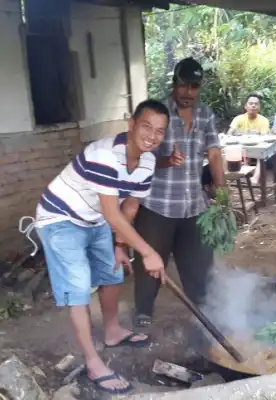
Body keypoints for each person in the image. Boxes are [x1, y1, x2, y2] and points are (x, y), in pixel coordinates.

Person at [35, 100, 170, 394]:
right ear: (131, 124)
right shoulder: (105, 155)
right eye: (146, 126)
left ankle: (112, 332)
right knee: (79, 286)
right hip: (59, 216)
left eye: (160, 131)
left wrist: (121, 245)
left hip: (93, 215)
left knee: (112, 272)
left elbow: (131, 204)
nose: (152, 135)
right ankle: (94, 363)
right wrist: (147, 252)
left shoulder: (147, 161)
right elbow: (112, 213)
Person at [132, 57, 225, 331]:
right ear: (174, 83)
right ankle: (143, 311)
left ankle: (204, 312)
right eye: (184, 86)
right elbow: (138, 156)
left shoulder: (205, 114)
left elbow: (215, 153)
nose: (188, 93)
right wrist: (165, 161)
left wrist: (221, 190)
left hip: (194, 205)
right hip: (157, 204)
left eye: (194, 87)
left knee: (199, 263)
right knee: (149, 262)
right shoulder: (158, 114)